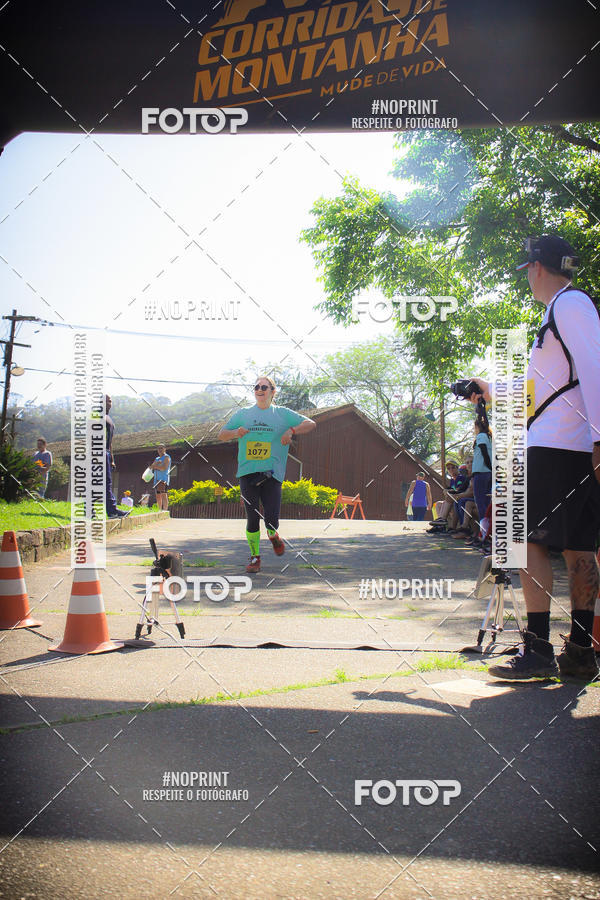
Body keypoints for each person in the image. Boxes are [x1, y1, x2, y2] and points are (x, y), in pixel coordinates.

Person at [469, 235, 600, 680]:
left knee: (527, 542)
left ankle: (539, 651)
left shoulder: (569, 306)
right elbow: (542, 391)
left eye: (527, 268)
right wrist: (488, 388)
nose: (526, 275)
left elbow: (597, 367)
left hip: (559, 446)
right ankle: (580, 652)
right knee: (579, 547)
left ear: (538, 268)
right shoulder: (562, 310)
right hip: (570, 445)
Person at [218, 376, 316, 573]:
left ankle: (273, 534)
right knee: (252, 517)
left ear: (273, 391)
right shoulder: (243, 414)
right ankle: (255, 557)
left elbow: (311, 423)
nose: (259, 389)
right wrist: (236, 432)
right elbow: (221, 434)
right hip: (247, 472)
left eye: (264, 387)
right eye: (256, 387)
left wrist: (291, 430)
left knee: (271, 519)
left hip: (272, 474)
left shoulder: (281, 414)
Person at [105, 395, 129, 519]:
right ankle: (90, 511)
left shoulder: (109, 419)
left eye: (110, 401)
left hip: (106, 453)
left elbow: (110, 442)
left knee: (106, 483)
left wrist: (112, 459)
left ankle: (112, 511)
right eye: (108, 401)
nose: (110, 403)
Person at [471, 419, 492, 521]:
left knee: (480, 502)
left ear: (477, 426)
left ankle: (483, 532)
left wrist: (489, 466)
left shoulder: (481, 436)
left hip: (481, 472)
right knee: (486, 502)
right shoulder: (490, 437)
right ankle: (487, 531)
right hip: (488, 473)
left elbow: (484, 452)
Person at [150, 445, 171, 511]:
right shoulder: (157, 458)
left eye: (161, 448)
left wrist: (156, 466)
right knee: (158, 496)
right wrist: (156, 464)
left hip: (163, 479)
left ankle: (165, 511)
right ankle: (159, 511)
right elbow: (151, 467)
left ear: (165, 449)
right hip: (156, 479)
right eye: (158, 448)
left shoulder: (167, 457)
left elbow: (164, 468)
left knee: (163, 494)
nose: (160, 449)